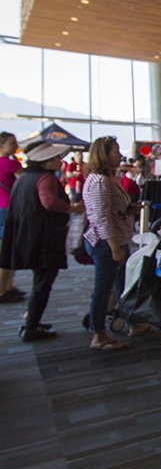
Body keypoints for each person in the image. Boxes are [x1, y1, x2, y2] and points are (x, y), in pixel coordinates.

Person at [1, 140, 84, 341]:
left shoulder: (25, 178)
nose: (59, 161)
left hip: (29, 236)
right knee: (43, 283)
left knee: (39, 281)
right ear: (46, 161)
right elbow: (49, 202)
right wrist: (72, 208)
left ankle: (33, 320)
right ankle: (32, 326)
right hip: (44, 238)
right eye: (55, 158)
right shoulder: (45, 178)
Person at [83, 137, 136, 350]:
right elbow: (101, 218)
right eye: (115, 151)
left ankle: (133, 322)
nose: (120, 155)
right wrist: (114, 247)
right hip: (107, 243)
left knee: (121, 285)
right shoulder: (100, 182)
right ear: (104, 154)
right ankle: (98, 333)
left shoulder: (108, 178)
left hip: (116, 239)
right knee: (103, 289)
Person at [0, 131, 26, 303]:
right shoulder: (11, 164)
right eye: (12, 143)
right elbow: (24, 182)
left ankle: (7, 286)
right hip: (10, 208)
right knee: (9, 249)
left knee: (6, 247)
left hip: (1, 208)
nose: (16, 145)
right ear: (2, 145)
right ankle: (3, 289)